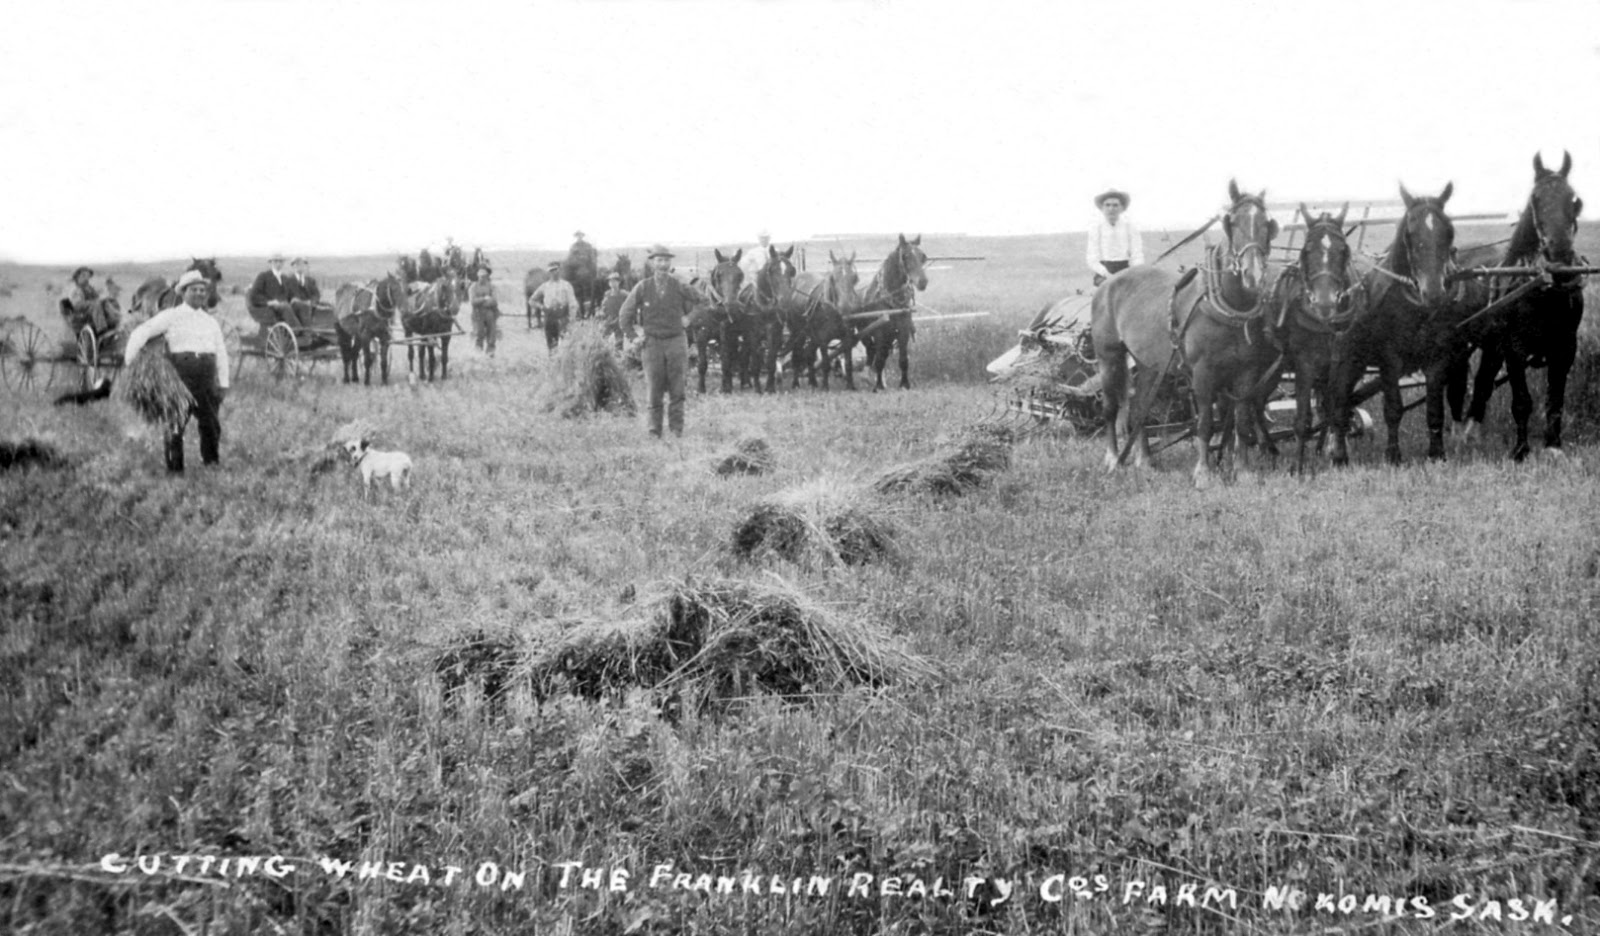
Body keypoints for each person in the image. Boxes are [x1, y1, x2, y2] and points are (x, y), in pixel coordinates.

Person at [122, 269, 230, 473]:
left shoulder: (211, 322)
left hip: (206, 378)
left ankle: (211, 464)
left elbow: (221, 352)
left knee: (210, 424)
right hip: (180, 378)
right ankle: (175, 470)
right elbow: (142, 332)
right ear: (183, 292)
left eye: (202, 290)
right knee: (174, 425)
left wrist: (223, 383)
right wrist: (131, 361)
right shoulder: (171, 316)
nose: (199, 293)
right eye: (193, 290)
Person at [619, 244, 709, 438]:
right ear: (653, 263)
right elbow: (624, 316)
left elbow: (703, 301)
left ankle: (676, 431)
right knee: (654, 389)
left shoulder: (679, 285)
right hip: (652, 344)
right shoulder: (643, 287)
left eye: (666, 260)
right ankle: (654, 431)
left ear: (670, 263)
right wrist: (635, 337)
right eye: (659, 260)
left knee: (678, 388)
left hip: (676, 342)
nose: (663, 264)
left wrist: (689, 318)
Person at [1085, 189, 1145, 286]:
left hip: (1125, 270)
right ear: (1102, 208)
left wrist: (1135, 270)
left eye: (1115, 205)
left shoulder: (1130, 227)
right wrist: (1106, 274)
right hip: (1104, 272)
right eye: (1107, 205)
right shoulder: (1096, 228)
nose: (1111, 209)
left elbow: (1137, 254)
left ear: (1122, 208)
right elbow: (1092, 259)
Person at [530, 261, 579, 353]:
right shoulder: (545, 286)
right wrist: (541, 307)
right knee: (551, 346)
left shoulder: (566, 285)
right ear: (548, 272)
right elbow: (532, 300)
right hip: (549, 317)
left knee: (565, 345)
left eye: (555, 270)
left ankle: (564, 361)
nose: (554, 273)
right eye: (551, 271)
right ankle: (553, 360)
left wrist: (572, 319)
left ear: (559, 270)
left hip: (562, 317)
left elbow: (573, 303)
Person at [62, 265, 121, 336]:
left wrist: (104, 299)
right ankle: (102, 330)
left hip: (91, 311)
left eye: (87, 276)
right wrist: (94, 302)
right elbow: (77, 305)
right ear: (77, 277)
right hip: (80, 314)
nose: (86, 278)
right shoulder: (75, 289)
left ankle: (116, 321)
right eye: (83, 276)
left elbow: (97, 297)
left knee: (109, 302)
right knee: (96, 304)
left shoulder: (89, 288)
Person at [248, 252, 301, 329]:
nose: (278, 264)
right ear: (271, 263)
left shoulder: (285, 278)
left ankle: (309, 330)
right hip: (270, 307)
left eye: (280, 261)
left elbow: (290, 294)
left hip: (284, 306)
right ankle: (297, 330)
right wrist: (269, 302)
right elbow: (254, 295)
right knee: (285, 306)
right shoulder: (263, 276)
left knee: (300, 305)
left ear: (283, 263)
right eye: (276, 261)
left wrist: (293, 298)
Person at [285, 257, 326, 329]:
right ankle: (307, 331)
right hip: (294, 309)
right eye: (297, 264)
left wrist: (311, 302)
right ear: (293, 267)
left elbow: (316, 294)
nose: (299, 267)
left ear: (305, 266)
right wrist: (293, 300)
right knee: (302, 306)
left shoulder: (310, 280)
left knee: (327, 308)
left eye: (302, 264)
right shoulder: (288, 281)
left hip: (310, 305)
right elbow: (285, 296)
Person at [469, 266, 500, 356]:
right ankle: (478, 352)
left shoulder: (491, 287)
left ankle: (490, 352)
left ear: (487, 277)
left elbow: (494, 301)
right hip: (478, 313)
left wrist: (482, 303)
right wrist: (484, 299)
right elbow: (473, 301)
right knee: (479, 333)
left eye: (484, 276)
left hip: (490, 312)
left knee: (492, 333)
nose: (483, 278)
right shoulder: (473, 287)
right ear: (478, 277)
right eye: (481, 276)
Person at [599, 270, 626, 348]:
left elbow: (628, 307)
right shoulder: (607, 294)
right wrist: (602, 313)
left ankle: (619, 352)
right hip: (609, 319)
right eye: (610, 281)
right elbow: (604, 306)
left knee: (619, 340)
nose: (612, 283)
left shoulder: (624, 294)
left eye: (614, 281)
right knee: (604, 338)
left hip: (619, 319)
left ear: (619, 282)